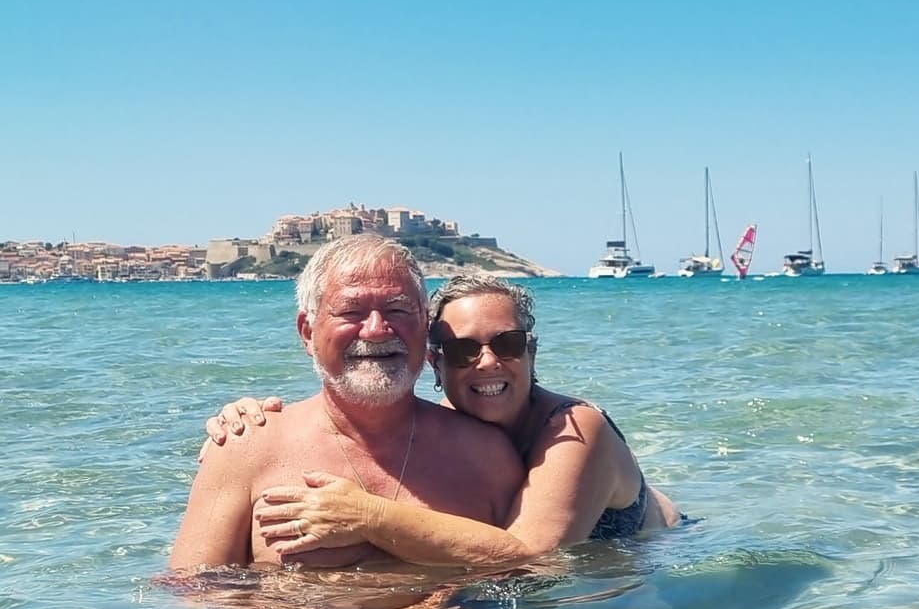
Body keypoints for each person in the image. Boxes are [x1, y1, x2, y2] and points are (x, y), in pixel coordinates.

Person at [203, 272, 678, 560]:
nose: (488, 362)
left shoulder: (576, 429)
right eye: (464, 349)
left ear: (531, 352)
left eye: (507, 344)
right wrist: (248, 419)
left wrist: (365, 516)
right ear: (436, 362)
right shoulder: (448, 427)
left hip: (662, 562)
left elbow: (535, 558)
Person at [171, 235, 525, 570]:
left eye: (398, 310)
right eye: (351, 312)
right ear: (308, 333)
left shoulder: (483, 454)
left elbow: (535, 577)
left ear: (424, 327)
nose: (375, 330)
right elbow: (194, 592)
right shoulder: (247, 448)